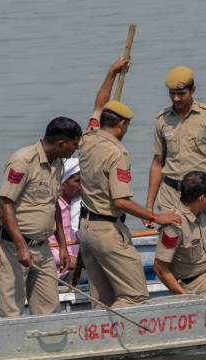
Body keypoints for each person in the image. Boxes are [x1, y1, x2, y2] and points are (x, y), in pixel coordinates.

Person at [79, 100, 182, 309]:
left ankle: (102, 339)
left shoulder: (86, 139)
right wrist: (154, 216)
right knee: (135, 295)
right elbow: (120, 201)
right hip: (107, 231)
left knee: (102, 301)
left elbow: (99, 104)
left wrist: (112, 72)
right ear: (122, 124)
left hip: (86, 228)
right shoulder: (117, 154)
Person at [0, 116, 81, 318]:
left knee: (50, 310)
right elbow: (4, 204)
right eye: (74, 145)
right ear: (60, 143)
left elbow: (54, 206)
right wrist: (21, 245)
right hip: (14, 249)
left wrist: (62, 246)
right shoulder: (22, 161)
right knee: (9, 310)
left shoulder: (58, 163)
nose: (75, 150)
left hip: (43, 249)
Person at [144, 66, 206, 226]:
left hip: (200, 195)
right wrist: (149, 207)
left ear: (193, 90)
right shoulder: (162, 119)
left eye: (181, 94)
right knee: (171, 244)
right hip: (170, 194)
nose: (176, 98)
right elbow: (157, 163)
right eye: (172, 93)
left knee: (202, 243)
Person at [48, 157, 81, 281]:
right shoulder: (51, 208)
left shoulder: (79, 205)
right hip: (59, 271)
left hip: (82, 264)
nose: (82, 186)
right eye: (77, 181)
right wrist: (69, 259)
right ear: (62, 183)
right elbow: (41, 248)